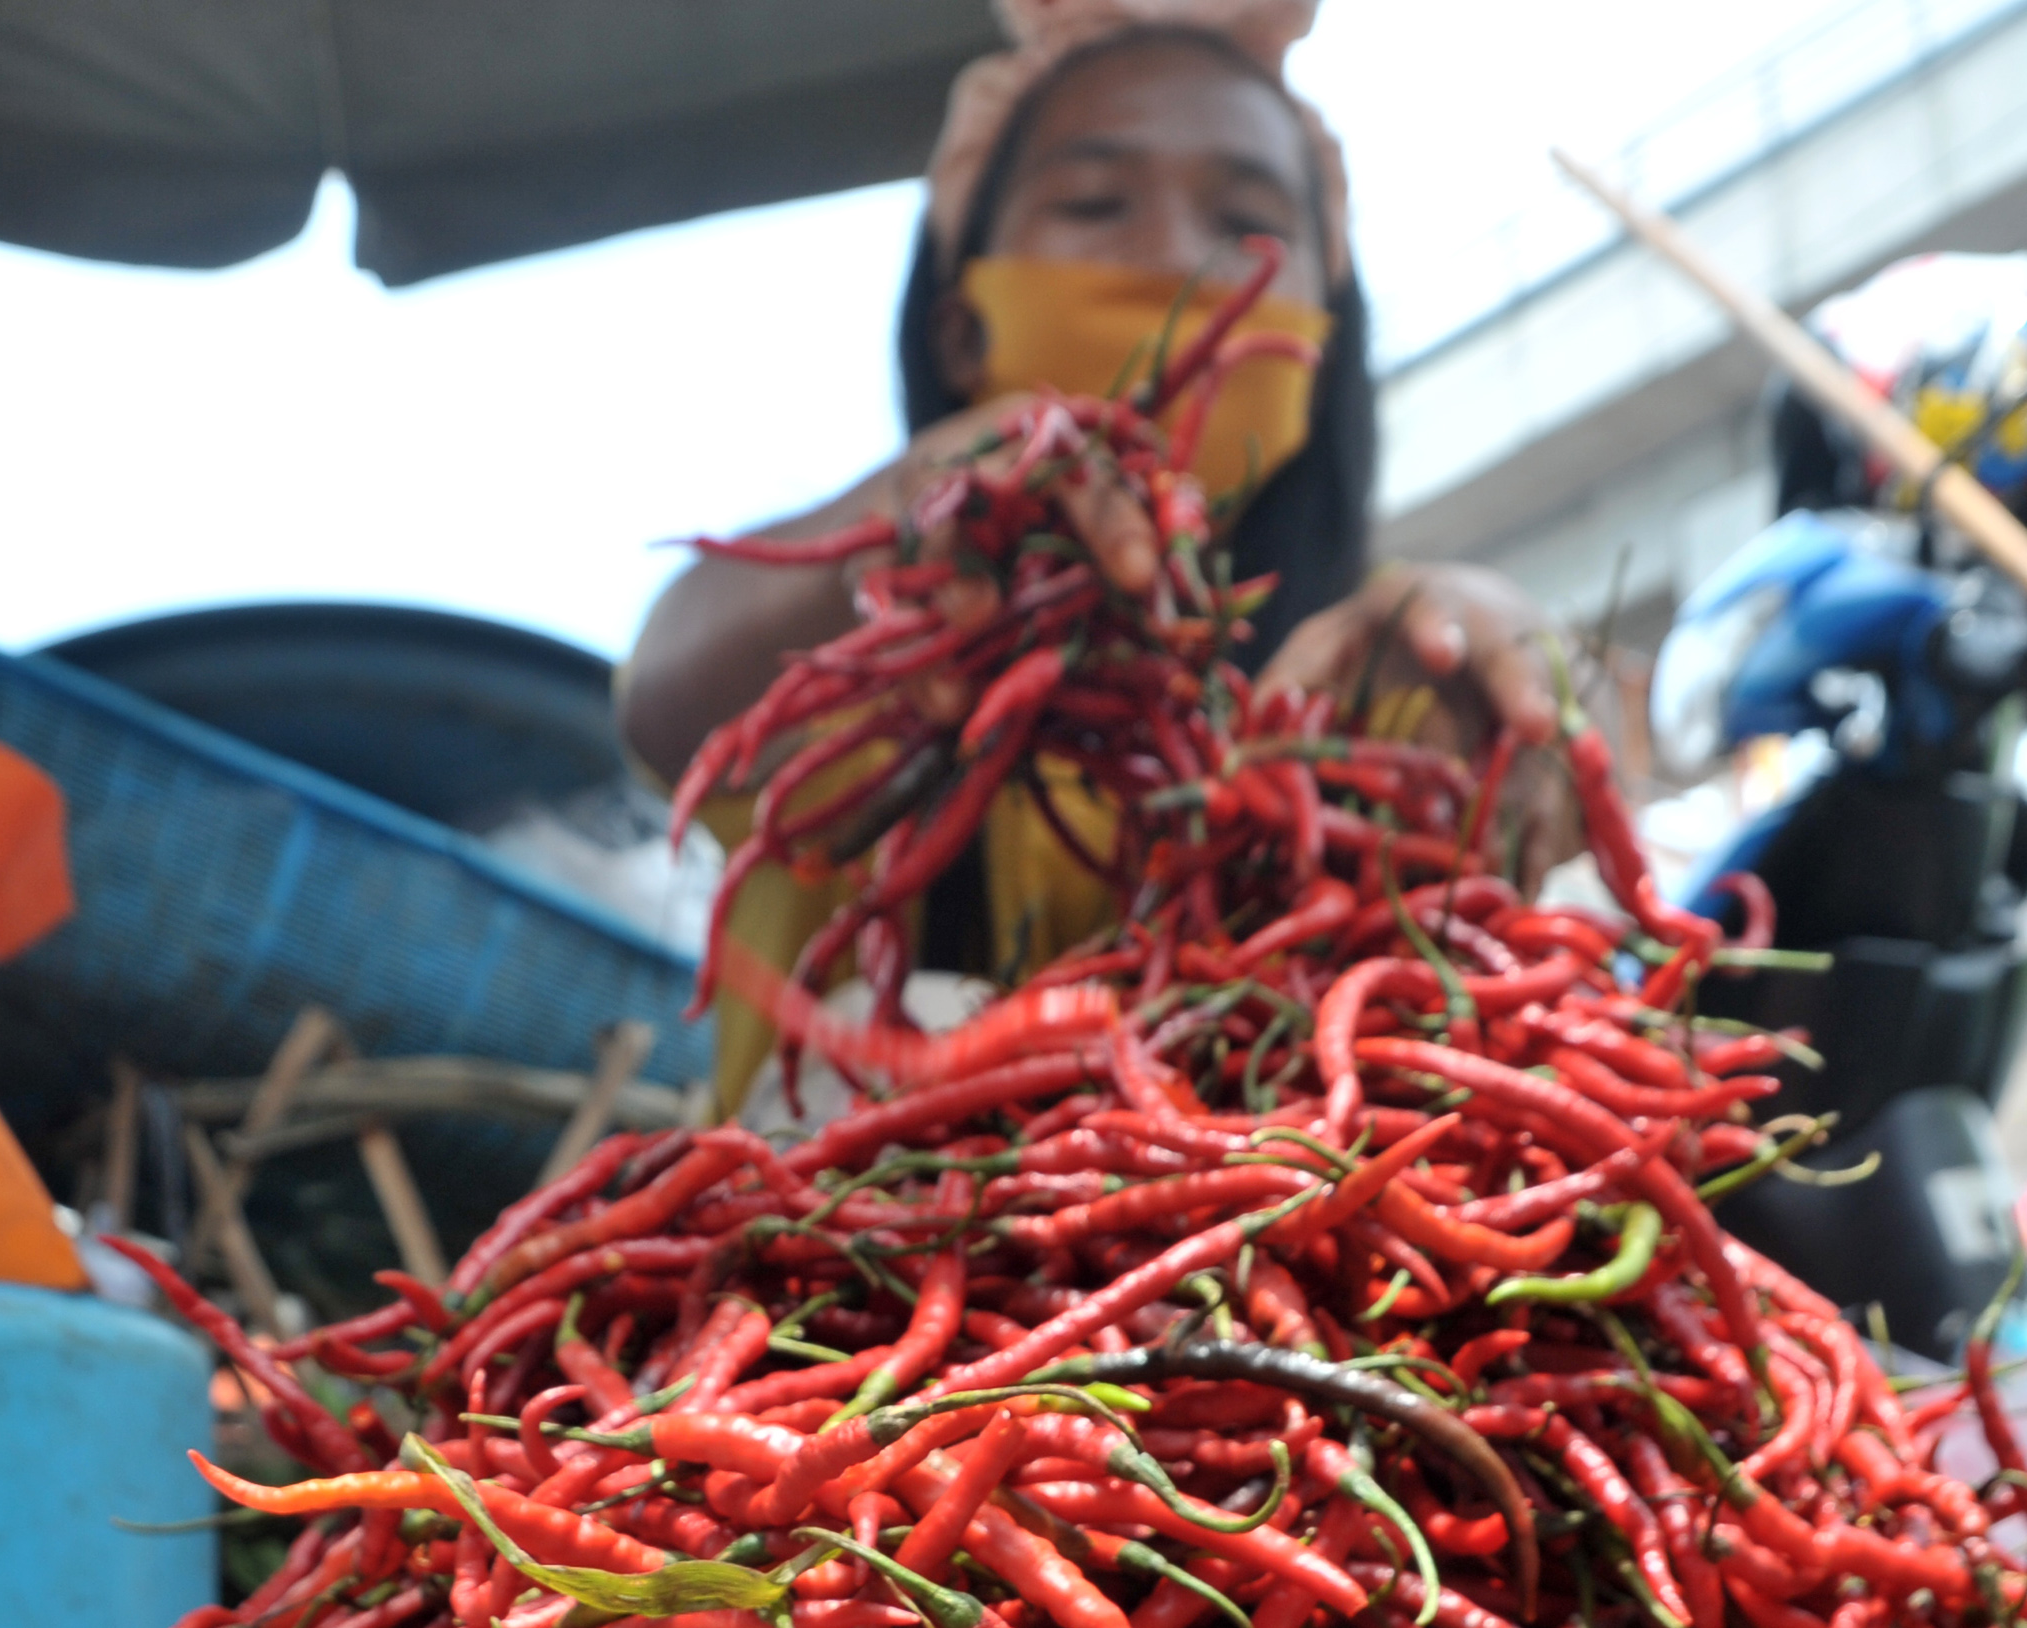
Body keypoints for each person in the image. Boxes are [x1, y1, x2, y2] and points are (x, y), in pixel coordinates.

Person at [616, 0, 1561, 1109]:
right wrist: (892, 524)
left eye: (1245, 220)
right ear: (961, 324)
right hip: (814, 1264)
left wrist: (1523, 693)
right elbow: (668, 702)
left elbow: (1522, 923)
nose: (1170, 256)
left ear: (1322, 338)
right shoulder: (869, 648)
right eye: (1094, 202)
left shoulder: (1366, 690)